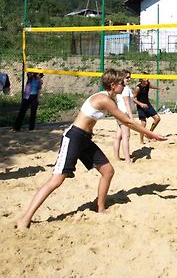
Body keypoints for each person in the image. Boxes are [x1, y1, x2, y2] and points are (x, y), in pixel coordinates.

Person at [15, 69, 167, 230]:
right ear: (113, 85)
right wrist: (151, 134)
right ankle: (25, 218)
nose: (125, 85)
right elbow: (127, 122)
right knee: (57, 180)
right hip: (74, 138)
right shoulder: (104, 99)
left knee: (108, 171)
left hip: (85, 139)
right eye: (122, 83)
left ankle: (100, 208)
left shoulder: (108, 97)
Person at [133, 75, 161, 144]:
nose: (148, 79)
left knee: (157, 119)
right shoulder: (138, 88)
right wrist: (140, 104)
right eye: (146, 78)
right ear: (141, 79)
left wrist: (158, 88)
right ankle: (141, 141)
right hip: (141, 106)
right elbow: (132, 98)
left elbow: (151, 86)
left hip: (148, 105)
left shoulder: (147, 84)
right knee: (143, 123)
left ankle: (149, 134)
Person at [113, 70, 133, 163]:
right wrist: (131, 117)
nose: (129, 79)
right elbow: (127, 103)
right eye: (127, 77)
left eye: (130, 77)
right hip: (124, 113)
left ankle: (116, 157)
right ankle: (127, 160)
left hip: (118, 112)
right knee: (126, 137)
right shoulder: (125, 88)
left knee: (118, 136)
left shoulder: (118, 88)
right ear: (122, 78)